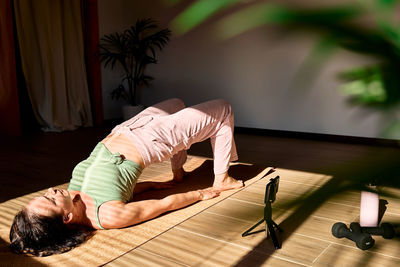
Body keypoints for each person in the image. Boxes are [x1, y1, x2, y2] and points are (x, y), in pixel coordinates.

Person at [9, 98, 243, 257]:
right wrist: (200, 194)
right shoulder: (109, 215)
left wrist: (153, 183)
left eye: (45, 194)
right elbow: (162, 205)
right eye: (51, 200)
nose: (51, 190)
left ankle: (178, 171)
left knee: (176, 103)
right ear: (67, 217)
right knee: (223, 109)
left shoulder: (73, 196)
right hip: (153, 140)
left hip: (127, 128)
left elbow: (117, 187)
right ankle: (221, 178)